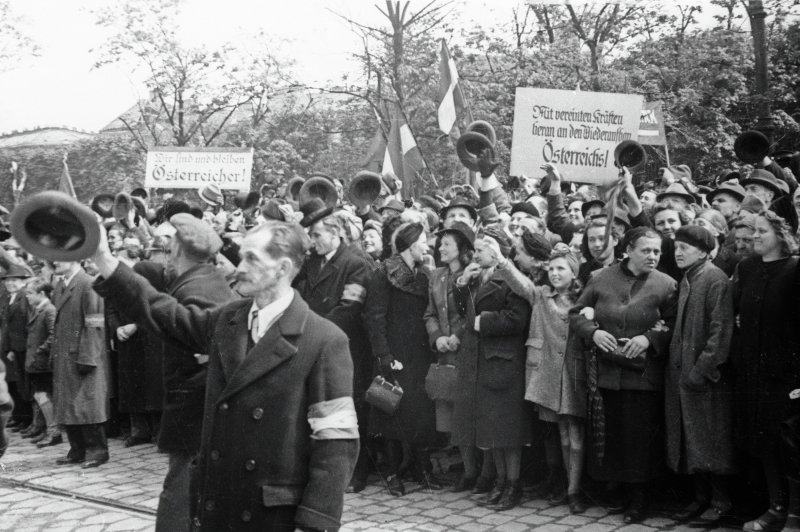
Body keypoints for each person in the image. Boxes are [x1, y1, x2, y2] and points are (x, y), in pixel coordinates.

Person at [94, 220, 358, 532]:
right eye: (241, 256)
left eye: (252, 259)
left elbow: (336, 443)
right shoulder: (228, 319)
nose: (238, 268)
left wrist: (315, 522)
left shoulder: (324, 338)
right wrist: (104, 259)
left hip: (273, 517)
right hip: (219, 507)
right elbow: (166, 315)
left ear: (283, 268)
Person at [570, 227, 677, 523]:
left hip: (643, 376)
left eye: (657, 251)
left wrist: (650, 339)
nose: (653, 256)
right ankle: (615, 490)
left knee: (639, 439)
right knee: (613, 435)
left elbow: (672, 320)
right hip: (606, 374)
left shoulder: (666, 284)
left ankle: (639, 498)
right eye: (646, 250)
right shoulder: (601, 278)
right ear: (629, 249)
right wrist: (594, 332)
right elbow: (576, 312)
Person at [497, 245, 587, 514]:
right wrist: (502, 260)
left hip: (573, 372)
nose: (555, 273)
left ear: (574, 272)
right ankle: (566, 488)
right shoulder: (541, 295)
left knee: (576, 433)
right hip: (548, 371)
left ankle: (575, 491)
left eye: (562, 268)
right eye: (552, 268)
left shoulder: (584, 298)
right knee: (561, 432)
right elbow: (519, 281)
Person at [295, 205, 372, 495]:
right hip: (311, 342)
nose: (313, 241)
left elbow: (350, 308)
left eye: (316, 235)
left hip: (343, 347)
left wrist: (314, 331)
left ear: (335, 232)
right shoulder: (311, 260)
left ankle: (357, 471)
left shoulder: (356, 263)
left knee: (348, 409)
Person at [454, 228, 532, 512]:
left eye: (480, 249)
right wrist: (462, 284)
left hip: (504, 360)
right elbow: (463, 312)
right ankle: (500, 482)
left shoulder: (511, 278)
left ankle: (513, 485)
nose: (474, 254)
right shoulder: (478, 276)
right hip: (483, 359)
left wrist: (482, 322)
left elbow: (517, 318)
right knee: (491, 427)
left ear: (498, 249)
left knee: (508, 430)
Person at [732, 210, 800, 532]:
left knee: (789, 442)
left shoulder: (796, 269)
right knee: (763, 442)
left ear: (781, 234)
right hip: (753, 372)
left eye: (762, 231)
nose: (754, 236)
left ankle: (795, 516)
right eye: (753, 230)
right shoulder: (746, 268)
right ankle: (775, 508)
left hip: (788, 376)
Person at [666, 226, 736, 526]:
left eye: (686, 247)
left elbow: (721, 333)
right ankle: (701, 498)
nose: (678, 252)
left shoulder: (714, 279)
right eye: (677, 247)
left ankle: (721, 502)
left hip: (705, 380)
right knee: (691, 440)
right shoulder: (688, 279)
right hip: (683, 377)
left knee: (711, 440)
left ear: (706, 252)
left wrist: (700, 371)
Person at [364, 222, 440, 496]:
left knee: (419, 412)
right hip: (392, 355)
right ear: (410, 244)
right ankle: (393, 473)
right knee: (388, 411)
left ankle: (422, 469)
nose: (428, 246)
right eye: (424, 241)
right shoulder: (383, 273)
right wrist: (383, 354)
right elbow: (374, 317)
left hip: (418, 355)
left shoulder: (424, 275)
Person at [423, 221, 475, 491]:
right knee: (452, 415)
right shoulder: (436, 275)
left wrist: (458, 335)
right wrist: (437, 337)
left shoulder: (473, 274)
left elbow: (476, 311)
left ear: (462, 248)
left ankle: (475, 471)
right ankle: (466, 468)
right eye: (440, 243)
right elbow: (430, 313)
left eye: (447, 244)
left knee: (468, 413)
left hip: (468, 352)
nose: (440, 248)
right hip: (445, 356)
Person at [51, 260, 110, 469]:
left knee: (87, 405)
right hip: (64, 356)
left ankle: (97, 451)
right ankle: (77, 449)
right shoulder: (61, 285)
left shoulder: (88, 284)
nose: (54, 261)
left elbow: (94, 324)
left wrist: (87, 357)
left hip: (83, 355)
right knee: (69, 405)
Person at [23, 279, 59, 446]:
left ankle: (54, 432)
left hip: (42, 363)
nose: (27, 296)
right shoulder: (38, 309)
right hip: (36, 362)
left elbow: (54, 335)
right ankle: (45, 430)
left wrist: (40, 351)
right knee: (39, 395)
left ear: (42, 294)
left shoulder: (49, 310)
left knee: (42, 395)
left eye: (30, 293)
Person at [2, 264, 33, 435]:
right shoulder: (10, 298)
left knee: (25, 384)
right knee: (18, 384)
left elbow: (28, 323)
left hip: (24, 347)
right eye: (7, 281)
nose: (10, 283)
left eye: (14, 280)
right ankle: (21, 418)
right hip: (14, 348)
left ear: (23, 282)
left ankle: (28, 419)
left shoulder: (24, 297)